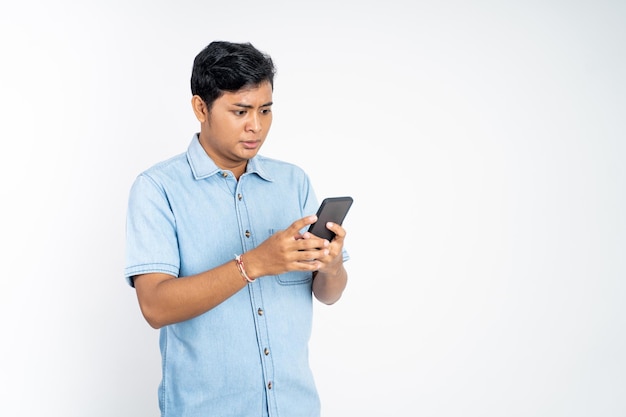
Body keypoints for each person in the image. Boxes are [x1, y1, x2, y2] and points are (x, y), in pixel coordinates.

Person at [124, 40, 349, 417]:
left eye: (265, 109)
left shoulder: (293, 182)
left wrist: (332, 267)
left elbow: (329, 294)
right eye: (240, 110)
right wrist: (254, 264)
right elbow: (155, 307)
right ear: (201, 108)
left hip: (295, 407)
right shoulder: (157, 189)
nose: (256, 126)